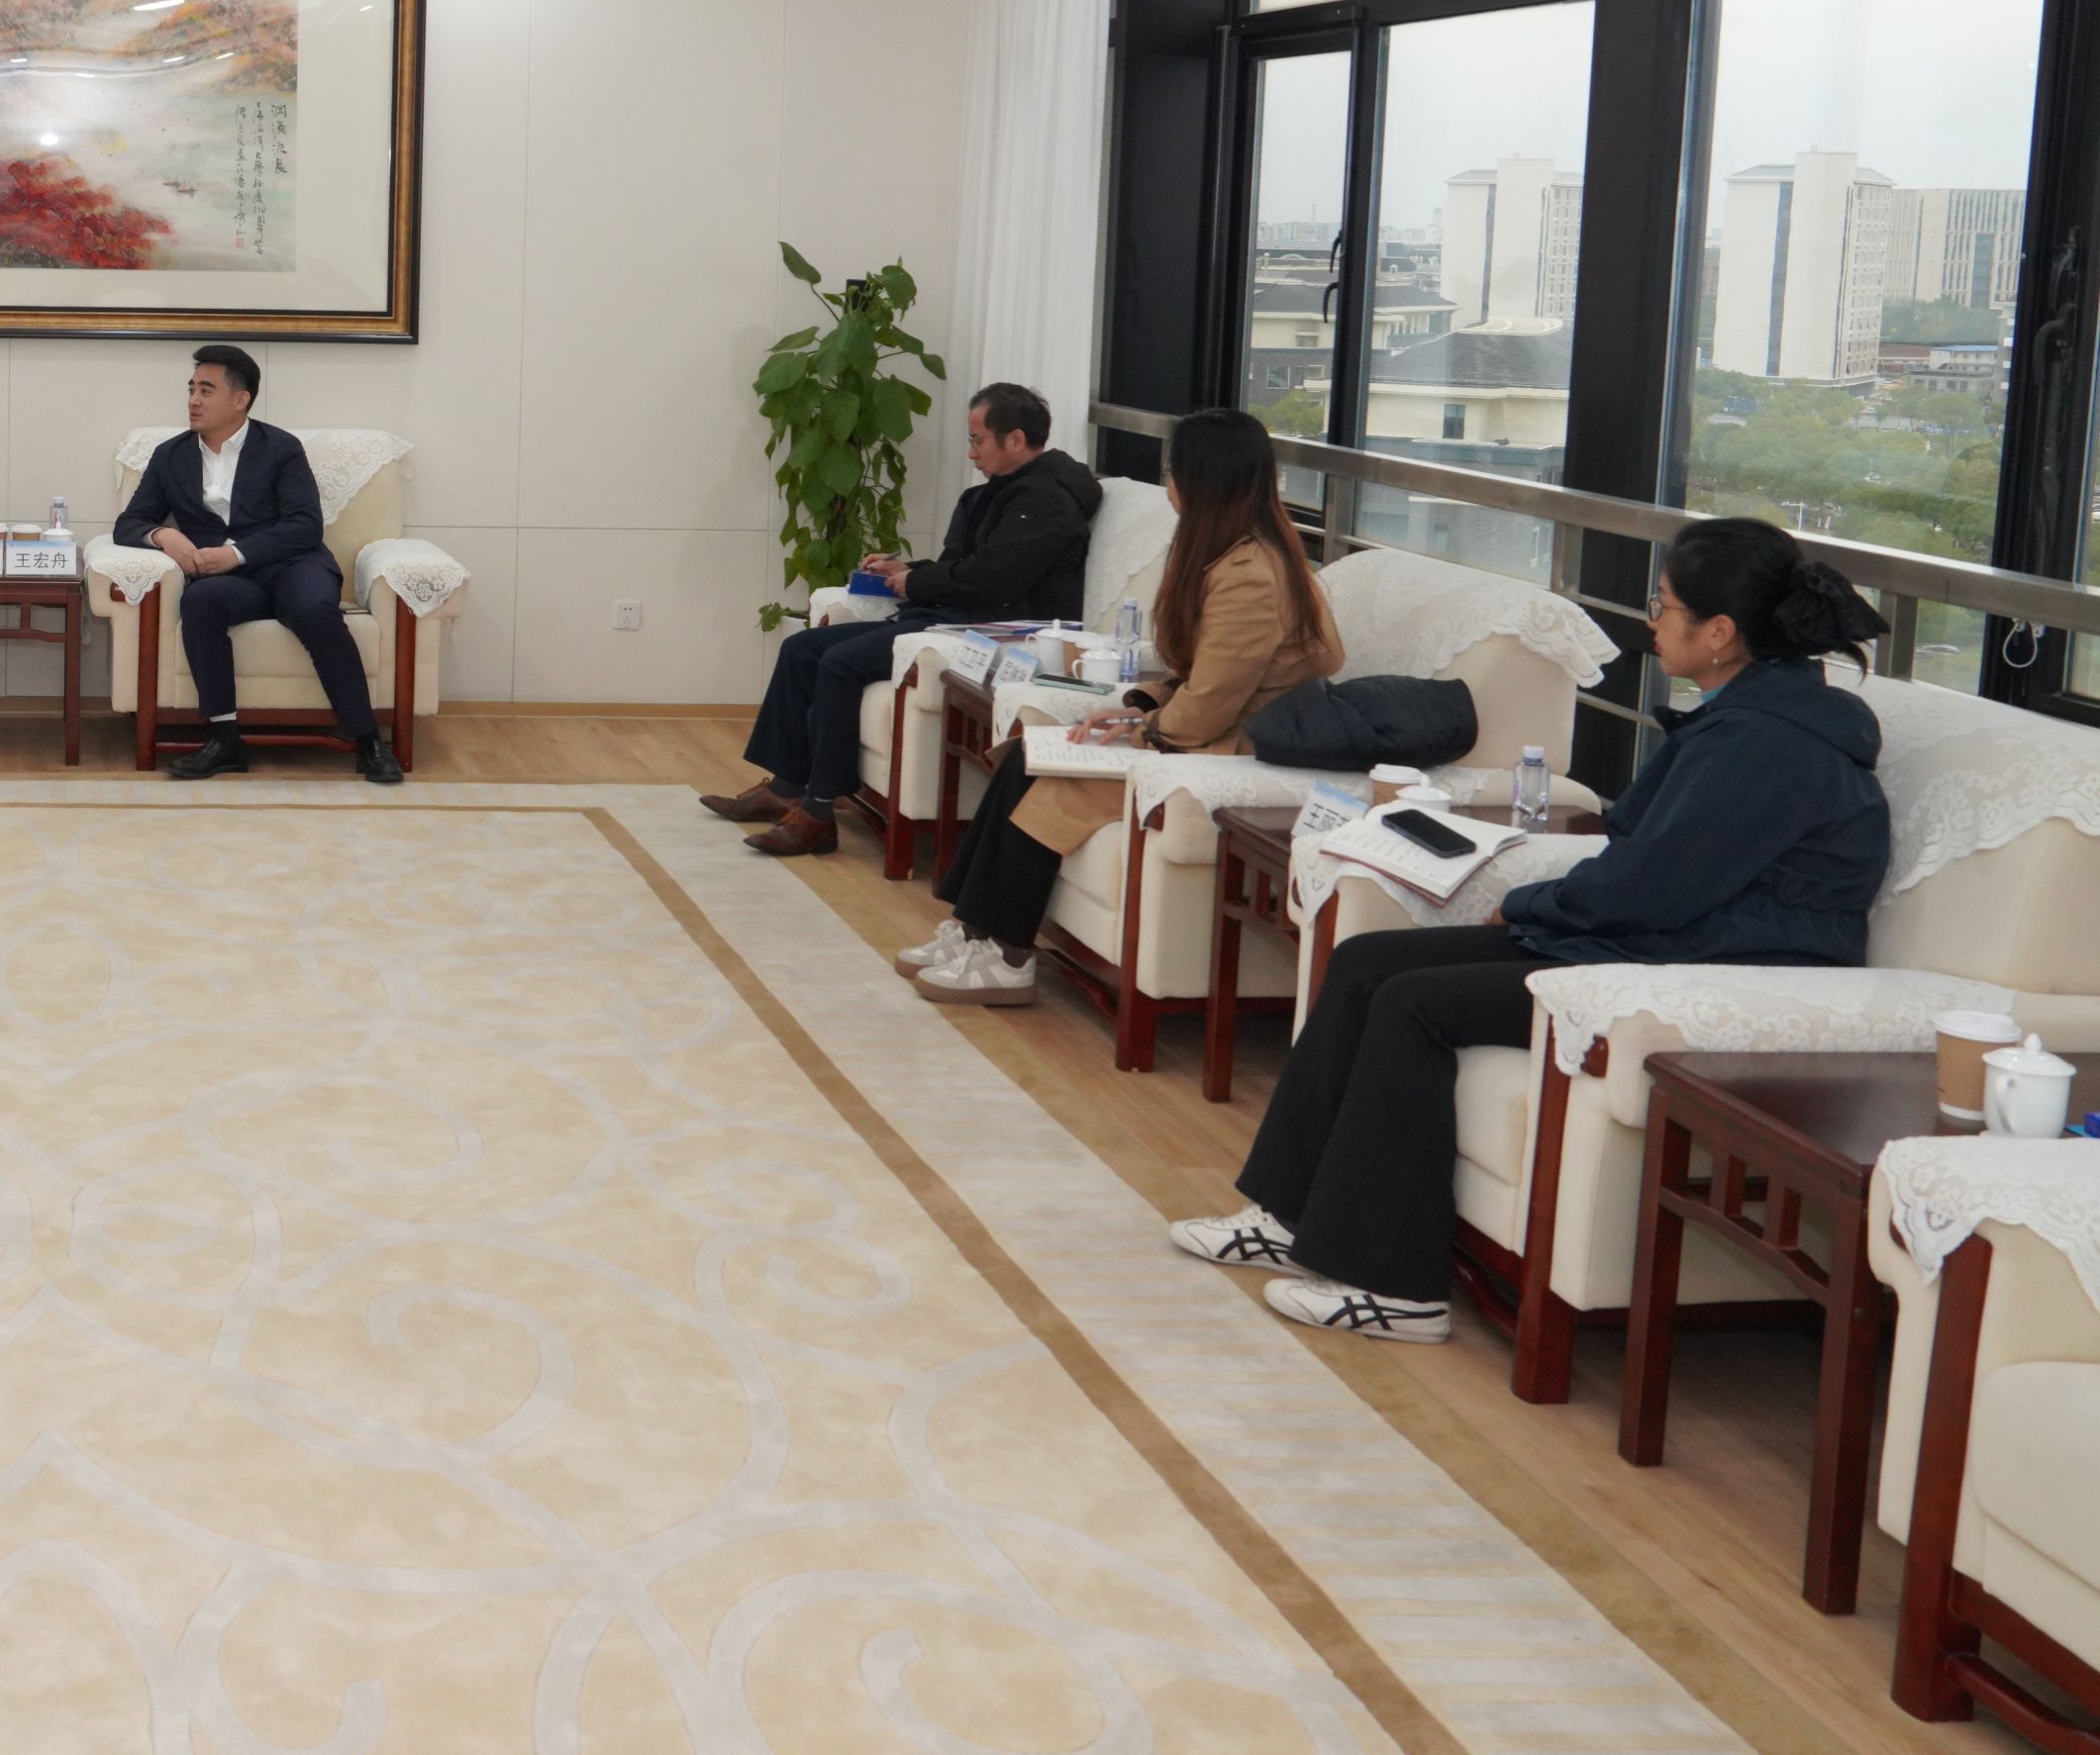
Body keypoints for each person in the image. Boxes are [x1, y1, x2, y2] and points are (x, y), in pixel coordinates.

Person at [1172, 517, 1890, 1341]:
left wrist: (1526, 905)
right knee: (1368, 960)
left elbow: (1654, 887)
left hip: (1712, 966)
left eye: (1662, 606)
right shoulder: (1757, 714)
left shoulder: (1769, 744)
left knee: (1413, 1004)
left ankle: (1397, 1287)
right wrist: (1541, 901)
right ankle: (1287, 1215)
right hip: (1665, 938)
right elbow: (1652, 867)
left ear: (1720, 633)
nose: (1652, 622)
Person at [906, 407, 1343, 1006]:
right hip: (1207, 727)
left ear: (1202, 480)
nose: (1168, 486)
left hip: (1231, 748)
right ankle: (974, 927)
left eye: (1172, 473)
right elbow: (1202, 676)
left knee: (1054, 777)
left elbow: (1209, 707)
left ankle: (1008, 955)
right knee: (1024, 755)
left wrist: (1144, 732)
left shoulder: (1251, 575)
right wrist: (1139, 706)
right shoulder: (1229, 553)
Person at [712, 382, 1100, 857]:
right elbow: (969, 566)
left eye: (977, 440)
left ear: (1015, 439)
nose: (971, 452)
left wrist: (917, 583)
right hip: (957, 612)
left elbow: (994, 579)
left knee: (840, 663)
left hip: (991, 632)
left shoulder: (1047, 501)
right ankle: (786, 787)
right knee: (801, 648)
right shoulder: (1005, 491)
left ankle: (817, 813)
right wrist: (907, 571)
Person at [117, 344, 404, 785]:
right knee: (201, 602)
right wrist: (164, 536)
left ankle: (368, 741)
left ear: (240, 399)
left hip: (293, 564)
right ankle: (224, 740)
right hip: (231, 583)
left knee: (313, 609)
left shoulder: (281, 448)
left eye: (206, 390)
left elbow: (305, 525)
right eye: (191, 389)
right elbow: (130, 523)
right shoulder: (170, 455)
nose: (193, 400)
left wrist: (235, 553)